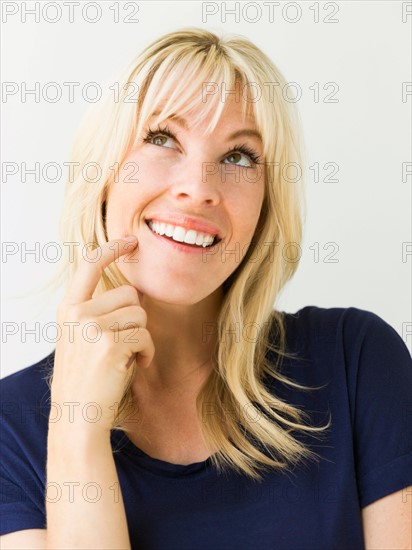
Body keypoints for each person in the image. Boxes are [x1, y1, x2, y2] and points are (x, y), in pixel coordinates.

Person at [1, 27, 411, 550]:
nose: (197, 188)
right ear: (102, 175)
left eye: (239, 156)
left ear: (265, 205)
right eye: (162, 138)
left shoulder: (357, 361)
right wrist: (78, 432)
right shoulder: (11, 425)